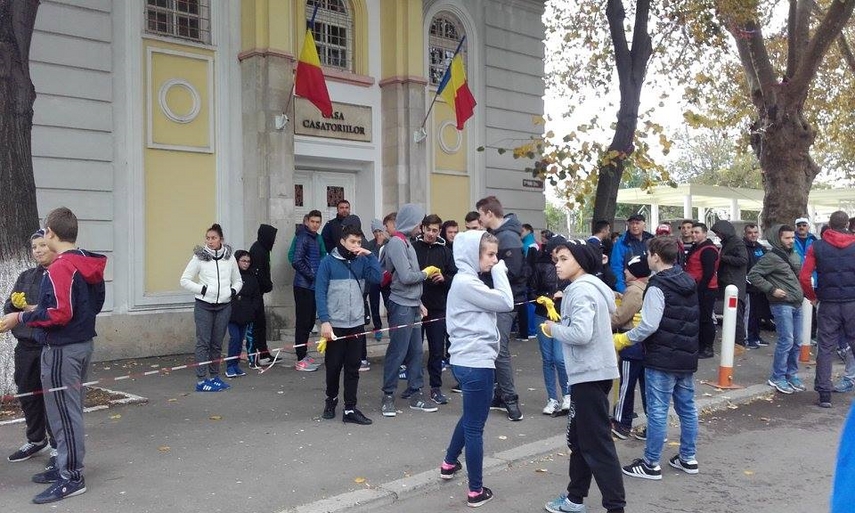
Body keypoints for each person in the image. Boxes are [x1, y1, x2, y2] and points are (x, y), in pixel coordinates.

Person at [0, 207, 106, 504]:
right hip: (81, 343)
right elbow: (93, 304)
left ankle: (71, 476)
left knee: (63, 413)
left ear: (51, 233)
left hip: (62, 349)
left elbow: (60, 313)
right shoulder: (85, 261)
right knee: (64, 410)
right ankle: (63, 466)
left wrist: (18, 319)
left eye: (44, 233)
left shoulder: (61, 266)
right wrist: (36, 311)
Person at [542, 239, 625, 513]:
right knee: (579, 441)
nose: (558, 264)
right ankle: (574, 498)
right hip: (590, 373)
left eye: (564, 258)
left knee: (596, 445)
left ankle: (615, 507)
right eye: (556, 259)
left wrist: (552, 329)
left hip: (589, 374)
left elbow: (580, 333)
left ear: (580, 260)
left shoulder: (581, 291)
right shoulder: (583, 289)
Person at [615, 236, 700, 483]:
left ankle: (651, 463)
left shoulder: (657, 286)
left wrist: (623, 340)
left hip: (661, 356)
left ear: (655, 256)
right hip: (685, 356)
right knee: (687, 408)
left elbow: (648, 325)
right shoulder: (688, 281)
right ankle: (688, 457)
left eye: (649, 254)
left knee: (658, 410)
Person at [439, 230, 514, 508]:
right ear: (473, 254)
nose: (494, 261)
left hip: (467, 360)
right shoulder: (466, 283)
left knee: (471, 416)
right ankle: (475, 490)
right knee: (475, 427)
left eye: (496, 255)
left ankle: (449, 463)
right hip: (476, 362)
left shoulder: (466, 280)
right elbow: (506, 302)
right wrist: (501, 273)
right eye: (490, 255)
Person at [315, 223, 382, 425]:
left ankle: (350, 408)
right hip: (335, 325)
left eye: (359, 242)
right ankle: (331, 400)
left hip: (356, 323)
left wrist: (370, 255)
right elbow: (319, 292)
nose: (356, 245)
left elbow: (377, 278)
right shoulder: (327, 262)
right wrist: (325, 321)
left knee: (353, 367)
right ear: (342, 241)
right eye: (352, 241)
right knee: (333, 366)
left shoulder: (362, 261)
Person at [380, 203, 439, 416]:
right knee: (398, 352)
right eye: (419, 222)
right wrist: (426, 273)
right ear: (411, 222)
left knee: (415, 352)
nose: (421, 227)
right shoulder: (397, 243)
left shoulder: (407, 242)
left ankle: (416, 394)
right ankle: (388, 396)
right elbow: (405, 277)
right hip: (402, 304)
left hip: (412, 304)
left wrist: (419, 302)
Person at [4, 230, 57, 463]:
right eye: (34, 247)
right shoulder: (26, 276)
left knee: (52, 398)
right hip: (25, 347)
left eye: (43, 245)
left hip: (50, 346)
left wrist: (32, 310)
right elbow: (9, 309)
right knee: (27, 393)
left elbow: (59, 311)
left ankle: (58, 445)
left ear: (54, 246)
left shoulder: (61, 275)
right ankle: (36, 440)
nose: (38, 250)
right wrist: (13, 304)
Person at [798, 211, 855, 408]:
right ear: (847, 224)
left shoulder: (817, 246)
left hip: (828, 302)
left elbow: (805, 277)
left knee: (825, 347)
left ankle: (824, 394)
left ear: (829, 224)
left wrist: (812, 297)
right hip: (852, 302)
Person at [477, 195, 525, 421]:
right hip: (499, 299)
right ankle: (499, 394)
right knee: (495, 347)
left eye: (480, 214)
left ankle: (510, 399)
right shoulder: (501, 236)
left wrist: (489, 270)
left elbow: (514, 271)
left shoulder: (508, 238)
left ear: (488, 213)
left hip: (507, 301)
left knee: (500, 349)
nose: (479, 218)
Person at [180, 223, 243, 392]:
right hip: (203, 305)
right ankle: (201, 381)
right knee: (203, 342)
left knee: (217, 344)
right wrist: (203, 289)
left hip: (224, 305)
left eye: (213, 238)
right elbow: (184, 280)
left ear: (221, 239)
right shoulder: (199, 257)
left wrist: (232, 291)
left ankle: (215, 377)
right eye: (207, 238)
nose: (210, 241)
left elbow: (238, 280)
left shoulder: (229, 258)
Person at [747, 225, 806, 395]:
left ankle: (791, 374)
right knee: (786, 340)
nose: (791, 241)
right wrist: (772, 289)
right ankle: (777, 376)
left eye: (792, 237)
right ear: (778, 239)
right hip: (782, 304)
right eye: (787, 238)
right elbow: (753, 275)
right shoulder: (771, 257)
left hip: (796, 303)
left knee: (797, 342)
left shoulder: (794, 255)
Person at [413, 214, 456, 405]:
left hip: (438, 307)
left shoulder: (445, 251)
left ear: (440, 232)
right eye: (428, 229)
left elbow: (456, 277)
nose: (431, 234)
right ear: (422, 229)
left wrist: (444, 279)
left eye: (435, 230)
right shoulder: (412, 248)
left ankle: (435, 388)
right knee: (413, 350)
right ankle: (414, 387)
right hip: (415, 305)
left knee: (437, 350)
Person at [528, 234, 571, 415]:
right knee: (548, 359)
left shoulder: (571, 265)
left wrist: (564, 294)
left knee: (560, 358)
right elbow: (531, 291)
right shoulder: (540, 265)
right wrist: (541, 299)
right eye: (555, 252)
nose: (557, 256)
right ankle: (552, 398)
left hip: (562, 316)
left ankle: (567, 394)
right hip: (542, 315)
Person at [610, 255, 650, 440]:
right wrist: (619, 295)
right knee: (647, 387)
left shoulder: (634, 291)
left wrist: (599, 324)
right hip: (646, 346)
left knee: (626, 385)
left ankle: (621, 423)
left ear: (635, 273)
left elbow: (620, 316)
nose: (624, 271)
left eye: (628, 269)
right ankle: (653, 425)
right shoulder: (646, 287)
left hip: (631, 344)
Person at [292, 210, 325, 372]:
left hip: (311, 286)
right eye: (312, 221)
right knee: (303, 322)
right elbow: (296, 260)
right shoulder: (303, 237)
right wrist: (312, 274)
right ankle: (300, 358)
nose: (315, 224)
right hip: (303, 285)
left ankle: (304, 354)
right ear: (307, 222)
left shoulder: (314, 238)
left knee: (310, 321)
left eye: (318, 222)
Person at [711, 220, 748, 348]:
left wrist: (723, 258)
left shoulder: (737, 243)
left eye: (718, 233)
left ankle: (739, 342)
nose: (718, 235)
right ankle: (734, 341)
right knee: (731, 314)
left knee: (736, 315)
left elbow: (743, 259)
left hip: (734, 283)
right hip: (729, 282)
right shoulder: (729, 242)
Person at [685, 222, 719, 358]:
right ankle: (700, 345)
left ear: (704, 234)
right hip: (697, 287)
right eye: (693, 232)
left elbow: (708, 272)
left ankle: (707, 347)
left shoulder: (708, 250)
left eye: (697, 232)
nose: (694, 234)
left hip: (706, 288)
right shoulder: (697, 247)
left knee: (705, 318)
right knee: (699, 318)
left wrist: (700, 289)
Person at [226, 250, 261, 378]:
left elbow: (256, 296)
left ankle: (236, 365)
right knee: (234, 338)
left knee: (240, 340)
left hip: (246, 314)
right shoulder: (231, 275)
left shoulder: (252, 277)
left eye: (248, 261)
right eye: (243, 261)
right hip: (232, 313)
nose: (246, 264)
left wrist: (252, 309)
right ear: (237, 261)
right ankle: (230, 365)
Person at [249, 224, 278, 364]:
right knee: (258, 325)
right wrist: (267, 285)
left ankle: (263, 353)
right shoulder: (258, 250)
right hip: (255, 294)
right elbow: (259, 273)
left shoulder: (263, 249)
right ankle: (256, 354)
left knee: (261, 324)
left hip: (258, 292)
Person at [610, 214, 653, 293]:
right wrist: (623, 290)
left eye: (637, 223)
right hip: (630, 287)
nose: (634, 226)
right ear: (628, 225)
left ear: (644, 224)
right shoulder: (621, 243)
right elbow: (616, 268)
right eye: (632, 223)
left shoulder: (651, 240)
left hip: (650, 285)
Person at [744, 223, 771, 348]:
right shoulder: (743, 248)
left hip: (760, 287)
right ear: (745, 234)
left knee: (758, 315)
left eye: (755, 232)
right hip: (749, 287)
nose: (753, 235)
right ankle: (748, 338)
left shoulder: (761, 248)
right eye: (750, 233)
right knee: (749, 315)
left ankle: (756, 336)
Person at [363, 218, 388, 351]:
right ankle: (377, 327)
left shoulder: (390, 243)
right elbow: (373, 260)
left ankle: (392, 324)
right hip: (374, 280)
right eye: (375, 231)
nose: (378, 234)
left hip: (386, 280)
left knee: (389, 303)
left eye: (380, 231)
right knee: (374, 303)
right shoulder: (370, 245)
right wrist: (378, 245)